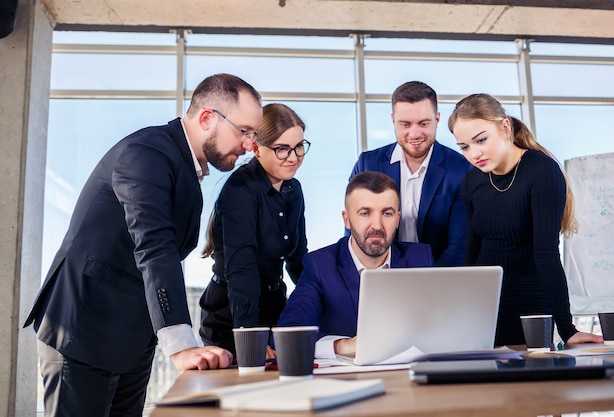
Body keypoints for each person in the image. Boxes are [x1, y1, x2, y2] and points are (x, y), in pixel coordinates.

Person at [24, 73, 264, 417]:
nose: (248, 144)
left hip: (131, 337)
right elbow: (154, 246)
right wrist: (181, 345)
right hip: (84, 328)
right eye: (244, 131)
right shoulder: (146, 153)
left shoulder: (184, 167)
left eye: (253, 134)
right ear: (208, 117)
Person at [448, 93, 603, 347]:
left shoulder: (541, 171)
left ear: (505, 127)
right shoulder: (472, 180)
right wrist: (467, 311)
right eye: (465, 147)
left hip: (532, 306)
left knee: (532, 383)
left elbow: (547, 253)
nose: (474, 154)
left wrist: (567, 328)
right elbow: (473, 249)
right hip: (487, 306)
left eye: (481, 140)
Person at [277, 171, 434, 358]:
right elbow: (287, 335)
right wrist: (342, 346)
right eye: (365, 213)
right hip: (349, 381)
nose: (377, 225)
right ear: (347, 219)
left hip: (410, 378)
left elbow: (443, 326)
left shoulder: (421, 259)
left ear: (398, 218)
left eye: (387, 213)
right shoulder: (320, 265)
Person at [199, 103, 309, 357]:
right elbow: (242, 270)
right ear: (257, 148)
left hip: (273, 307)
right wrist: (251, 338)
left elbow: (297, 260)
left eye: (299, 147)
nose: (293, 157)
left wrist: (319, 304)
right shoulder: (241, 190)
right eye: (282, 149)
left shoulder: (294, 190)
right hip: (233, 314)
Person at [350, 81, 472, 266]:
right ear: (393, 121)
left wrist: (425, 286)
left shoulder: (461, 169)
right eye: (405, 124)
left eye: (423, 123)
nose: (414, 134)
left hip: (439, 278)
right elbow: (355, 233)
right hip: (379, 277)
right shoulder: (368, 164)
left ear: (437, 120)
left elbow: (459, 245)